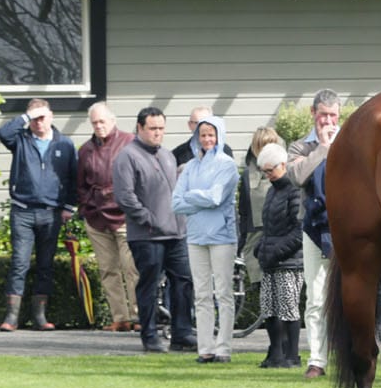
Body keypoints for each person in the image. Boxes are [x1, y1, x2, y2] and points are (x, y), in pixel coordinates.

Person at [113, 106, 196, 353]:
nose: (158, 133)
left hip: (176, 232)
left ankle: (182, 333)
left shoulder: (168, 155)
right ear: (140, 128)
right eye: (153, 128)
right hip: (147, 235)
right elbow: (125, 197)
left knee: (183, 281)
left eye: (161, 128)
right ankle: (149, 336)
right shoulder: (127, 156)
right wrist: (149, 219)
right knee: (148, 286)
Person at [0, 98, 77, 331]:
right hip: (22, 211)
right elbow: (3, 133)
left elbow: (73, 177)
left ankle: (40, 316)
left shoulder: (65, 144)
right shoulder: (20, 140)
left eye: (42, 117)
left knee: (45, 264)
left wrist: (69, 207)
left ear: (51, 116)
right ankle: (11, 317)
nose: (38, 122)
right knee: (19, 263)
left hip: (51, 213)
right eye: (34, 118)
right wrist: (26, 116)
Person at [173, 114, 240, 363]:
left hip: (222, 236)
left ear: (219, 136)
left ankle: (223, 348)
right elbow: (176, 203)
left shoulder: (228, 165)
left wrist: (191, 196)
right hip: (195, 236)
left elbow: (216, 197)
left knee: (223, 293)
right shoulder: (190, 166)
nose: (207, 139)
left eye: (211, 134)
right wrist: (200, 198)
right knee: (201, 294)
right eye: (203, 135)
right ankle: (205, 348)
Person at [287, 89, 341, 378]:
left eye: (333, 115)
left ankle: (348, 355)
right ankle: (317, 359)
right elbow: (296, 176)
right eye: (323, 115)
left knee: (349, 296)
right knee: (316, 297)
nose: (328, 121)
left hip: (346, 228)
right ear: (313, 113)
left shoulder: (350, 140)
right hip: (313, 229)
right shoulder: (300, 147)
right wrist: (322, 148)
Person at [77, 102, 140, 332]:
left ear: (113, 121)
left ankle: (139, 316)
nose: (99, 126)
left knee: (132, 267)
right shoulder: (85, 150)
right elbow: (80, 184)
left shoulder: (130, 142)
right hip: (96, 217)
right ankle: (120, 318)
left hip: (125, 216)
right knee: (107, 270)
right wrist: (86, 207)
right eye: (94, 122)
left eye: (102, 121)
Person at [252, 143, 305, 369]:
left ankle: (292, 354)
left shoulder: (295, 190)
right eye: (264, 171)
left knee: (288, 308)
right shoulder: (272, 191)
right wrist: (261, 249)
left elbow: (298, 230)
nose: (268, 175)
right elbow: (269, 227)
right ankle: (275, 353)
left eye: (270, 170)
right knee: (269, 308)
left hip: (290, 262)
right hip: (272, 260)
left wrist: (274, 251)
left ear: (283, 165)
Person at [238, 126, 285, 365]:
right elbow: (244, 212)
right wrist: (243, 245)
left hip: (280, 238)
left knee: (283, 296)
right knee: (265, 295)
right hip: (255, 239)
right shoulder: (247, 175)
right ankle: (274, 346)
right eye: (262, 145)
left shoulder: (285, 172)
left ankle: (285, 349)